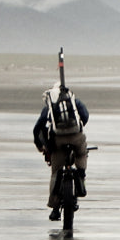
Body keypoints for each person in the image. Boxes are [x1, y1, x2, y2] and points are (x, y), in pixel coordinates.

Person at [33, 81, 90, 221]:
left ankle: (55, 208)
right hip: (76, 137)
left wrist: (40, 145)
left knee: (56, 172)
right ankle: (81, 179)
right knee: (81, 153)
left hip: (58, 140)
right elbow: (85, 115)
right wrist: (78, 127)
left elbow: (38, 127)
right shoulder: (74, 101)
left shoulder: (51, 105)